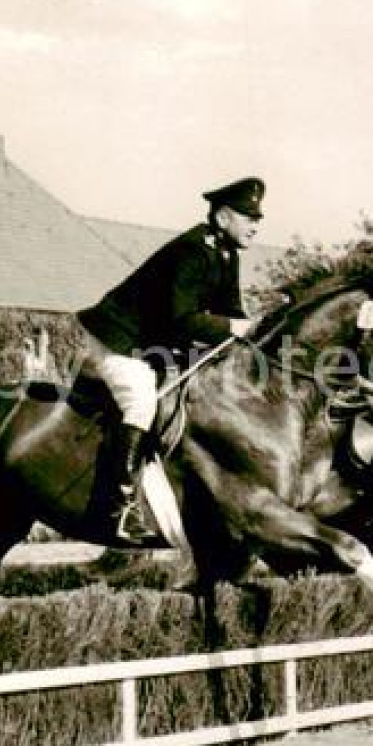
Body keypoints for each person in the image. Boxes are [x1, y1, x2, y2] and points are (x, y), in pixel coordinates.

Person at [75, 176, 263, 537]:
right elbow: (184, 320)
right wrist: (233, 327)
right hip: (119, 336)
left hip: (155, 340)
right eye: (247, 216)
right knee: (141, 402)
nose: (256, 224)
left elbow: (232, 314)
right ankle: (122, 505)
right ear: (223, 218)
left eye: (258, 218)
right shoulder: (192, 251)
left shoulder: (226, 254)